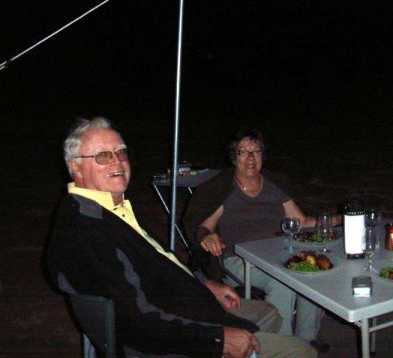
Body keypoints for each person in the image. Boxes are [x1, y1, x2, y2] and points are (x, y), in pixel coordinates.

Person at [45, 117, 316, 358]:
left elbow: (159, 263)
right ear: (76, 167)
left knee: (269, 313)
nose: (117, 161)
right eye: (103, 156)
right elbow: (137, 325)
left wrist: (204, 283)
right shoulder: (88, 231)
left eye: (121, 152)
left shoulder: (109, 211)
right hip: (177, 335)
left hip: (185, 302)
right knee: (301, 351)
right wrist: (218, 341)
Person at [183, 127, 341, 349]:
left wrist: (338, 219)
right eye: (243, 152)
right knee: (283, 282)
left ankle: (306, 341)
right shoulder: (224, 189)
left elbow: (301, 221)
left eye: (255, 152)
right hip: (238, 259)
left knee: (310, 273)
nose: (250, 158)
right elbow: (202, 227)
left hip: (278, 253)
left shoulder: (274, 187)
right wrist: (208, 237)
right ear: (233, 157)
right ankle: (281, 345)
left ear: (262, 157)